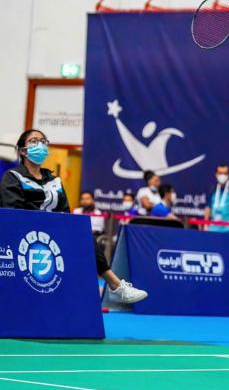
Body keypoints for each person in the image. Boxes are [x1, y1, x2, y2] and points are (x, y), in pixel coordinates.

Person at [0, 129, 147, 303]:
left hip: (54, 231)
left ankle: (115, 285)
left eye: (43, 141)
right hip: (25, 232)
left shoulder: (54, 180)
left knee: (83, 232)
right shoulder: (13, 177)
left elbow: (64, 211)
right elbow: (13, 212)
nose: (40, 145)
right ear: (23, 150)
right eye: (33, 141)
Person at [204, 164, 229, 232]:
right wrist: (205, 224)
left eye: (225, 173)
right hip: (213, 228)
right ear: (216, 174)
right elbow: (208, 207)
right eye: (220, 173)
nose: (222, 175)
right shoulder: (213, 189)